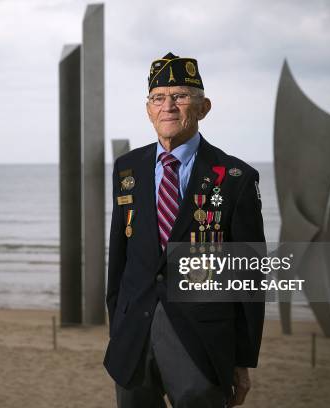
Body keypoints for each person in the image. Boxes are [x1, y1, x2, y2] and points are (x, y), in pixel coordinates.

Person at [103, 52, 265, 408]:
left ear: (204, 107)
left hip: (202, 340)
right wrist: (118, 328)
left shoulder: (236, 178)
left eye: (180, 96)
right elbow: (119, 257)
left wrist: (243, 359)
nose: (169, 106)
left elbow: (249, 278)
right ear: (148, 110)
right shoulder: (127, 168)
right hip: (134, 337)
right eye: (158, 98)